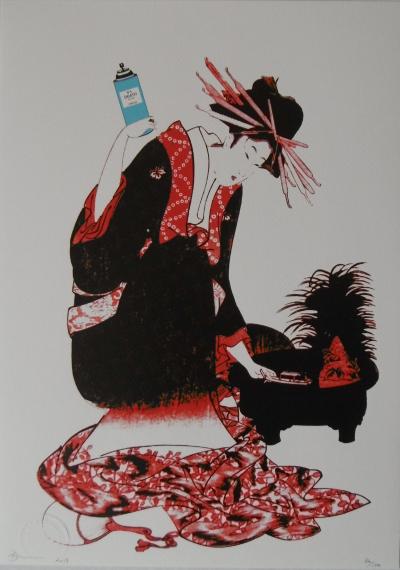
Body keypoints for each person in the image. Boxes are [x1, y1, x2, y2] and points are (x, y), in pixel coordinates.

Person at [37, 65, 368, 550]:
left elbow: (220, 281)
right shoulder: (168, 155)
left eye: (259, 165)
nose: (247, 170)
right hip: (113, 349)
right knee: (184, 263)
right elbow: (96, 262)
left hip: (179, 353)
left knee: (197, 275)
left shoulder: (230, 190)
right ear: (235, 132)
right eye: (252, 154)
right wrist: (124, 148)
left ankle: (163, 493)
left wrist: (248, 356)